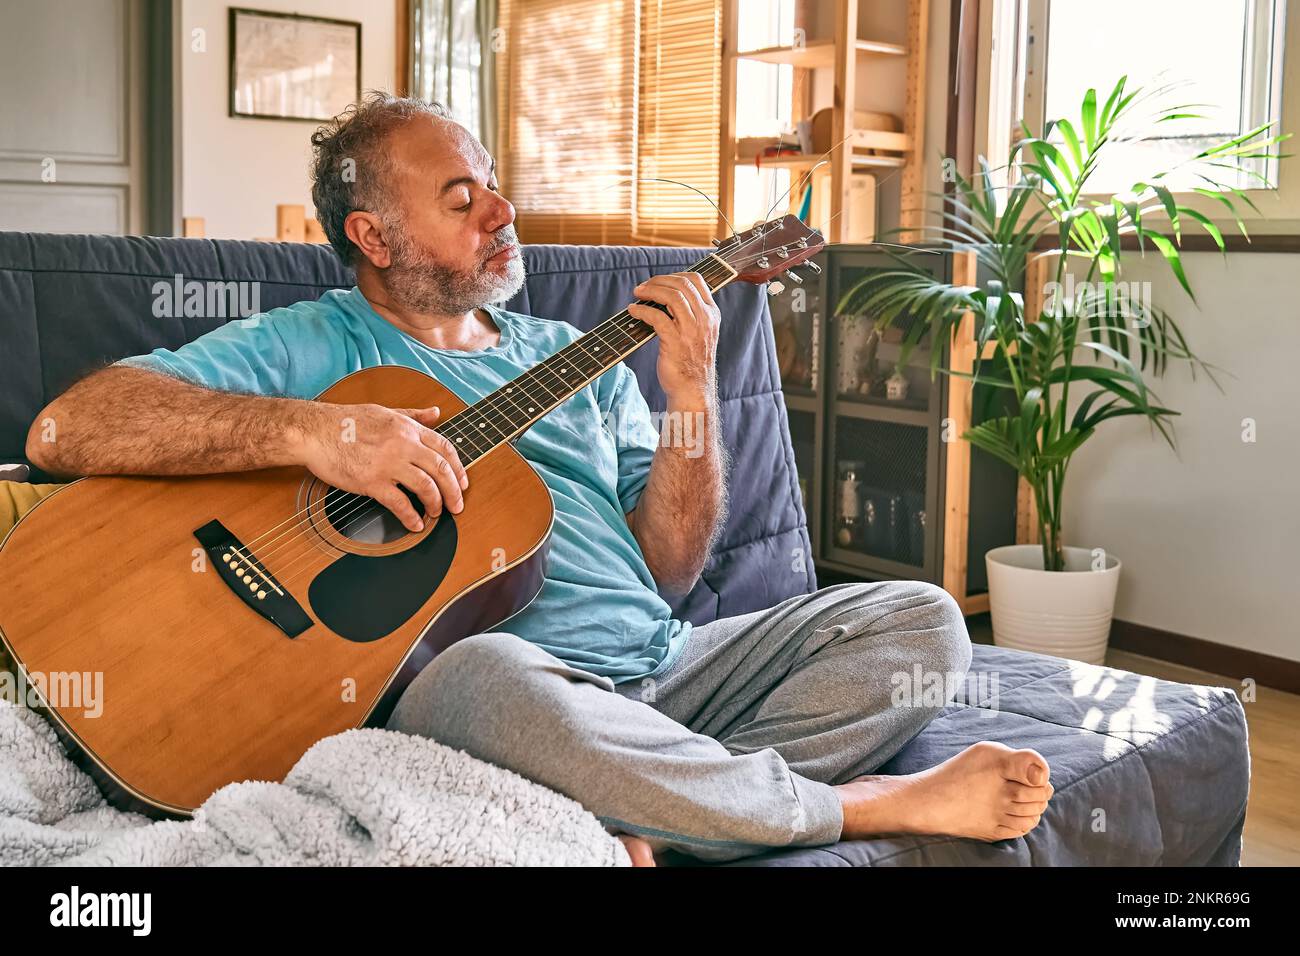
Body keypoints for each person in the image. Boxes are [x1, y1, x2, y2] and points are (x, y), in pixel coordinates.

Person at [26, 94, 1052, 866]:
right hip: (491, 691)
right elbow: (68, 426)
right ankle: (860, 803)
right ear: (372, 238)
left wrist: (690, 389)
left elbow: (670, 569)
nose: (502, 210)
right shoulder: (313, 343)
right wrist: (319, 432)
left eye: (494, 184)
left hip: (665, 671)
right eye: (460, 197)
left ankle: (635, 801)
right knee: (478, 672)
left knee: (921, 622)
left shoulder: (574, 350)